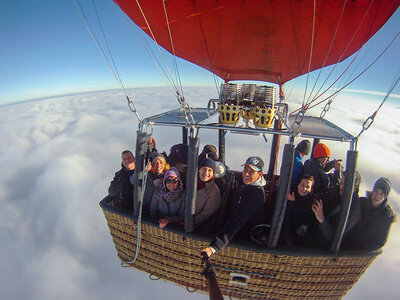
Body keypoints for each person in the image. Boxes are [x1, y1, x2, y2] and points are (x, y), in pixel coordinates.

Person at [200, 156, 266, 257]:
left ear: (260, 174)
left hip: (242, 240)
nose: (246, 174)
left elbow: (237, 221)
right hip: (230, 231)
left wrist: (214, 247)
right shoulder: (244, 185)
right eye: (245, 169)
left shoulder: (256, 195)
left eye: (251, 172)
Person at [309, 171, 362, 249]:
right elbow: (321, 198)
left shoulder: (353, 210)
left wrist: (322, 220)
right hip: (313, 233)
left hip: (324, 249)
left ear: (354, 188)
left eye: (345, 185)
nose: (341, 187)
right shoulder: (336, 192)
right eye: (341, 183)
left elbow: (335, 238)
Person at [341, 177, 396, 251]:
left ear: (385, 197)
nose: (377, 196)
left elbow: (379, 242)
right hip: (344, 241)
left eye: (381, 194)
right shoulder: (362, 203)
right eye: (376, 191)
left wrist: (358, 249)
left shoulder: (386, 216)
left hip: (358, 251)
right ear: (372, 191)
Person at [282, 174, 315, 246]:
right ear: (298, 185)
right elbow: (283, 216)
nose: (304, 189)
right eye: (302, 185)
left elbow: (307, 220)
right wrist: (291, 203)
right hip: (287, 228)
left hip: (302, 230)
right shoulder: (290, 195)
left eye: (307, 187)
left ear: (311, 189)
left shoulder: (312, 201)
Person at [194, 158, 221, 230]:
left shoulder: (214, 192)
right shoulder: (191, 182)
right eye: (204, 168)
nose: (206, 173)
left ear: (213, 173)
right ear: (199, 170)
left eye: (210, 170)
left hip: (196, 227)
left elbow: (206, 214)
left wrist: (189, 222)